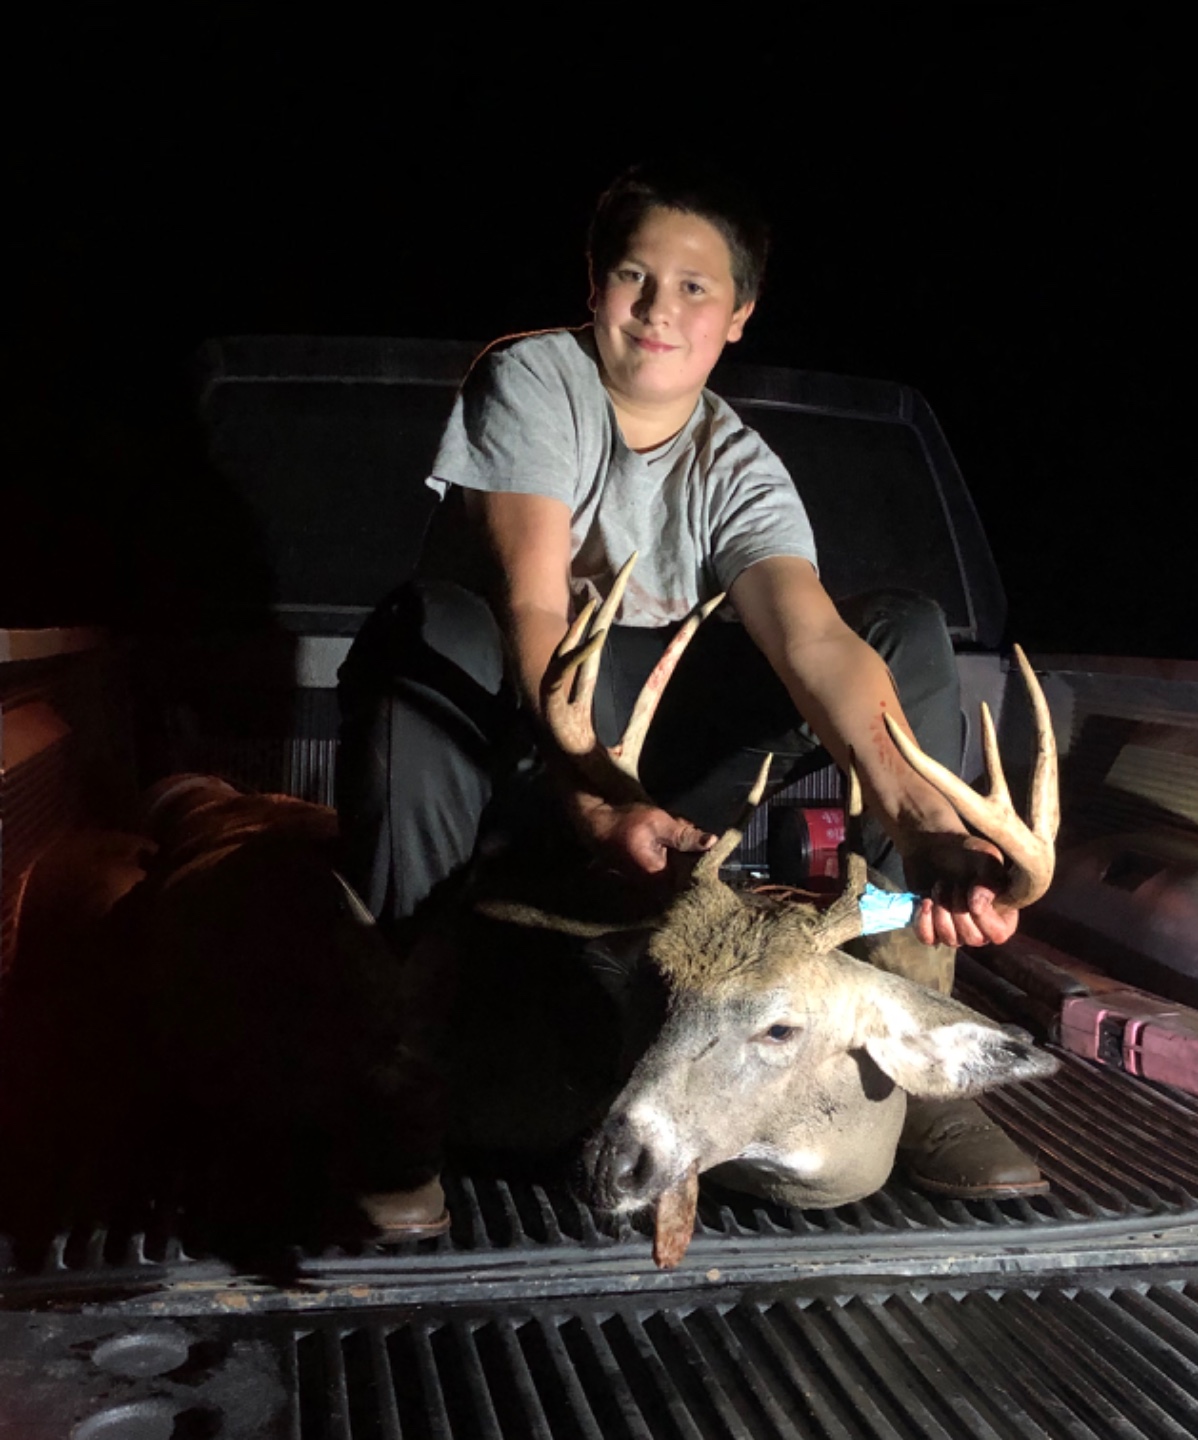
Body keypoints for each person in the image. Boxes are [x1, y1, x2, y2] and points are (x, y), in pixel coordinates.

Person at [336, 162, 1047, 1211]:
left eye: (695, 287)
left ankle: (915, 1031)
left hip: (663, 761)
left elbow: (810, 637)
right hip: (512, 749)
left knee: (899, 628)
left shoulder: (739, 466)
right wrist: (593, 793)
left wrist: (926, 822)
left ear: (739, 315)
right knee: (432, 625)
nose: (659, 309)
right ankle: (398, 1068)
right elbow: (534, 604)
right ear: (594, 283)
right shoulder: (534, 379)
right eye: (635, 276)